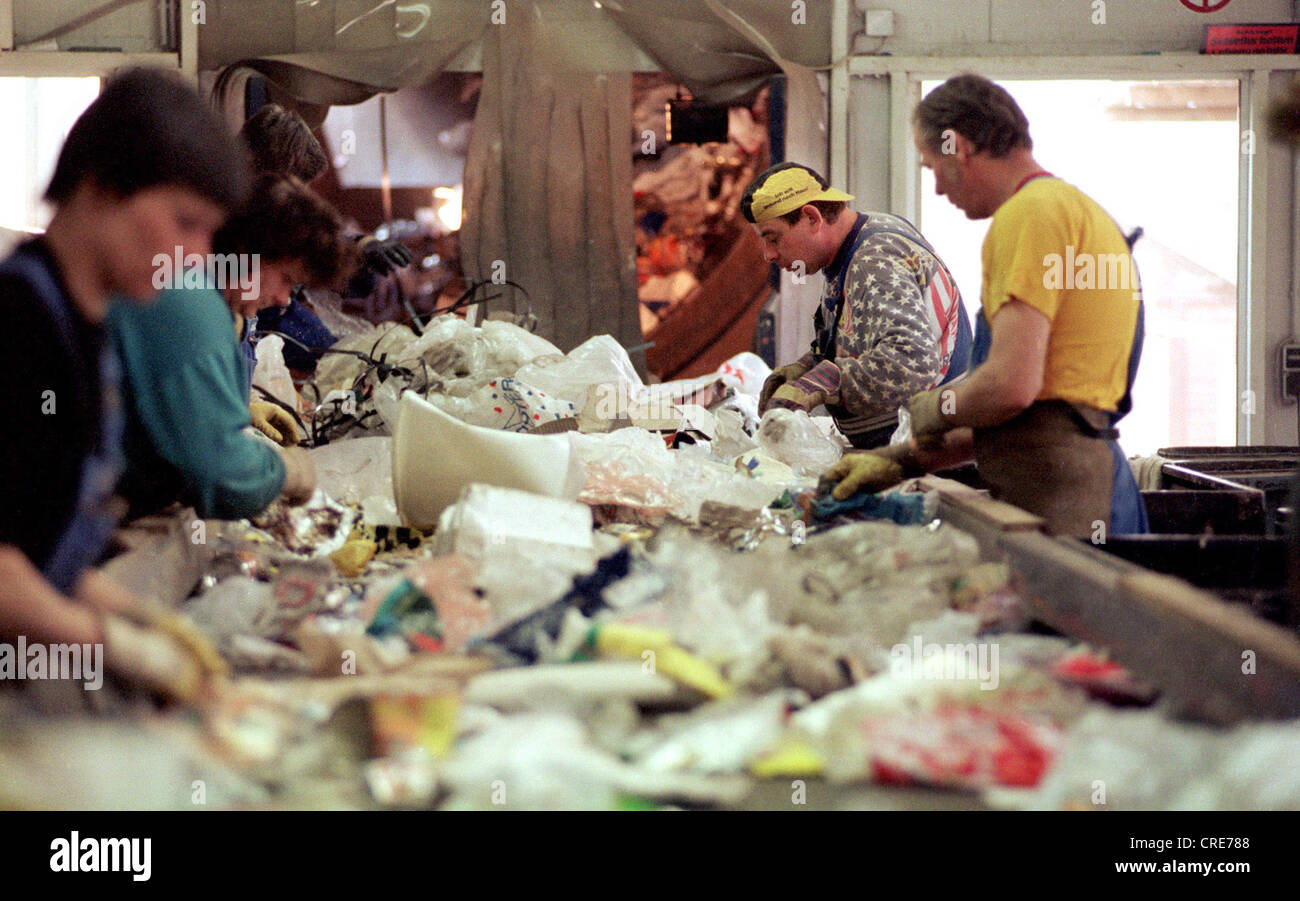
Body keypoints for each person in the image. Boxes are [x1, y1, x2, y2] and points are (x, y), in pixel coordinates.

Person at [0, 67, 249, 700]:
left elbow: (35, 546)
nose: (196, 257)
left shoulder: (94, 325)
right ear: (103, 184)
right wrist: (105, 642)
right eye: (185, 221)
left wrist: (140, 617)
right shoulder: (18, 324)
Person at [825, 74, 1147, 538]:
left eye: (934, 166)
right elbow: (1025, 417)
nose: (937, 188)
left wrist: (935, 406)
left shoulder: (1029, 214)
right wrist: (898, 460)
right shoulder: (1076, 211)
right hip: (1083, 477)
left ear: (962, 148)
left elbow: (1010, 387)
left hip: (1067, 499)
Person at [109, 173, 349, 520]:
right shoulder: (189, 297)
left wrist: (233, 410)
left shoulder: (200, 289)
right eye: (286, 279)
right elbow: (225, 481)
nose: (284, 300)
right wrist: (284, 471)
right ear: (250, 251)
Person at [744, 162, 972, 449]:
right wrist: (807, 367)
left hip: (934, 452)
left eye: (773, 238)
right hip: (908, 445)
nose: (769, 255)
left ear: (812, 217)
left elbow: (911, 363)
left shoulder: (873, 259)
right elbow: (864, 341)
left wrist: (822, 382)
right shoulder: (855, 247)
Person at [238, 103, 413, 372]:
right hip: (260, 318)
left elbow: (313, 255)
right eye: (297, 184)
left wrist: (363, 249)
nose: (300, 195)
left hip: (266, 314)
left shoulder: (275, 213)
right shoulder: (228, 222)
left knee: (343, 359)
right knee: (332, 360)